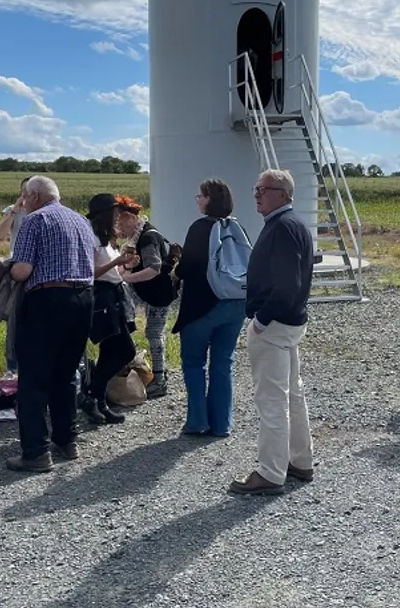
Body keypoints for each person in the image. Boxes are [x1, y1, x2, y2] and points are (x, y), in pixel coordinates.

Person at [5, 176, 99, 472]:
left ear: (34, 196)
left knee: (33, 378)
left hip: (48, 300)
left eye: (24, 196)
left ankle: (35, 452)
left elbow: (22, 270)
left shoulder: (35, 220)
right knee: (66, 373)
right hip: (84, 299)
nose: (23, 201)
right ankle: (67, 440)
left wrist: (5, 268)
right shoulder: (81, 221)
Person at [229, 169, 314, 495]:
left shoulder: (282, 228)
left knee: (272, 401)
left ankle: (270, 473)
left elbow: (286, 285)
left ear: (283, 193)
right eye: (256, 188)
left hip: (275, 326)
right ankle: (300, 461)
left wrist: (261, 321)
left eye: (262, 189)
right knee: (293, 394)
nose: (256, 195)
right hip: (290, 323)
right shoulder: (292, 225)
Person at [173, 179, 247, 437]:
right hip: (236, 303)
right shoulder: (236, 227)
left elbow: (188, 267)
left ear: (208, 199)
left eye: (200, 196)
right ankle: (222, 424)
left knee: (194, 363)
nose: (198, 200)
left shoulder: (200, 228)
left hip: (203, 307)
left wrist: (175, 267)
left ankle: (197, 421)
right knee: (223, 363)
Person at [84, 193, 140, 426]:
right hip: (103, 297)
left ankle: (97, 400)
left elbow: (112, 271)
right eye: (116, 213)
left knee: (110, 351)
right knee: (125, 350)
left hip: (115, 296)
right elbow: (89, 273)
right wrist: (116, 263)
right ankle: (93, 396)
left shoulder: (107, 239)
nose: (118, 217)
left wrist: (126, 264)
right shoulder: (93, 239)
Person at [115, 197, 178, 399]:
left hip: (159, 295)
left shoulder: (148, 237)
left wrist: (127, 279)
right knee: (149, 333)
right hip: (152, 293)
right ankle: (155, 374)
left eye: (120, 222)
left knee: (153, 334)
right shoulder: (140, 235)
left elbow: (153, 269)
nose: (119, 227)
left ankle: (159, 380)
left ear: (130, 217)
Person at [0, 176, 31, 376]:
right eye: (24, 192)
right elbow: (0, 235)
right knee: (14, 320)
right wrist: (14, 211)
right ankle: (12, 367)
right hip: (17, 267)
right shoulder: (14, 211)